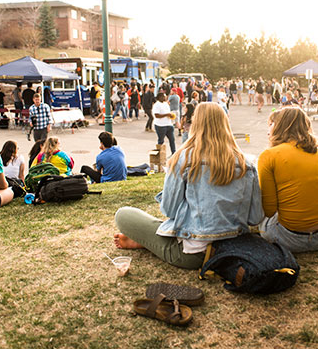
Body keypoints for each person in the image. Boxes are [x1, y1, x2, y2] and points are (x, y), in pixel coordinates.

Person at [113, 103, 264, 269]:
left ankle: (146, 241)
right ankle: (146, 241)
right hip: (235, 250)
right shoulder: (247, 164)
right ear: (225, 124)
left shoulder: (183, 159)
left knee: (123, 215)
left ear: (195, 124)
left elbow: (169, 210)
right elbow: (255, 218)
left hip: (195, 255)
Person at [258, 107, 318, 253]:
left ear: (279, 126)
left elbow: (269, 210)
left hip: (290, 238)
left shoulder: (268, 156)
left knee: (259, 218)